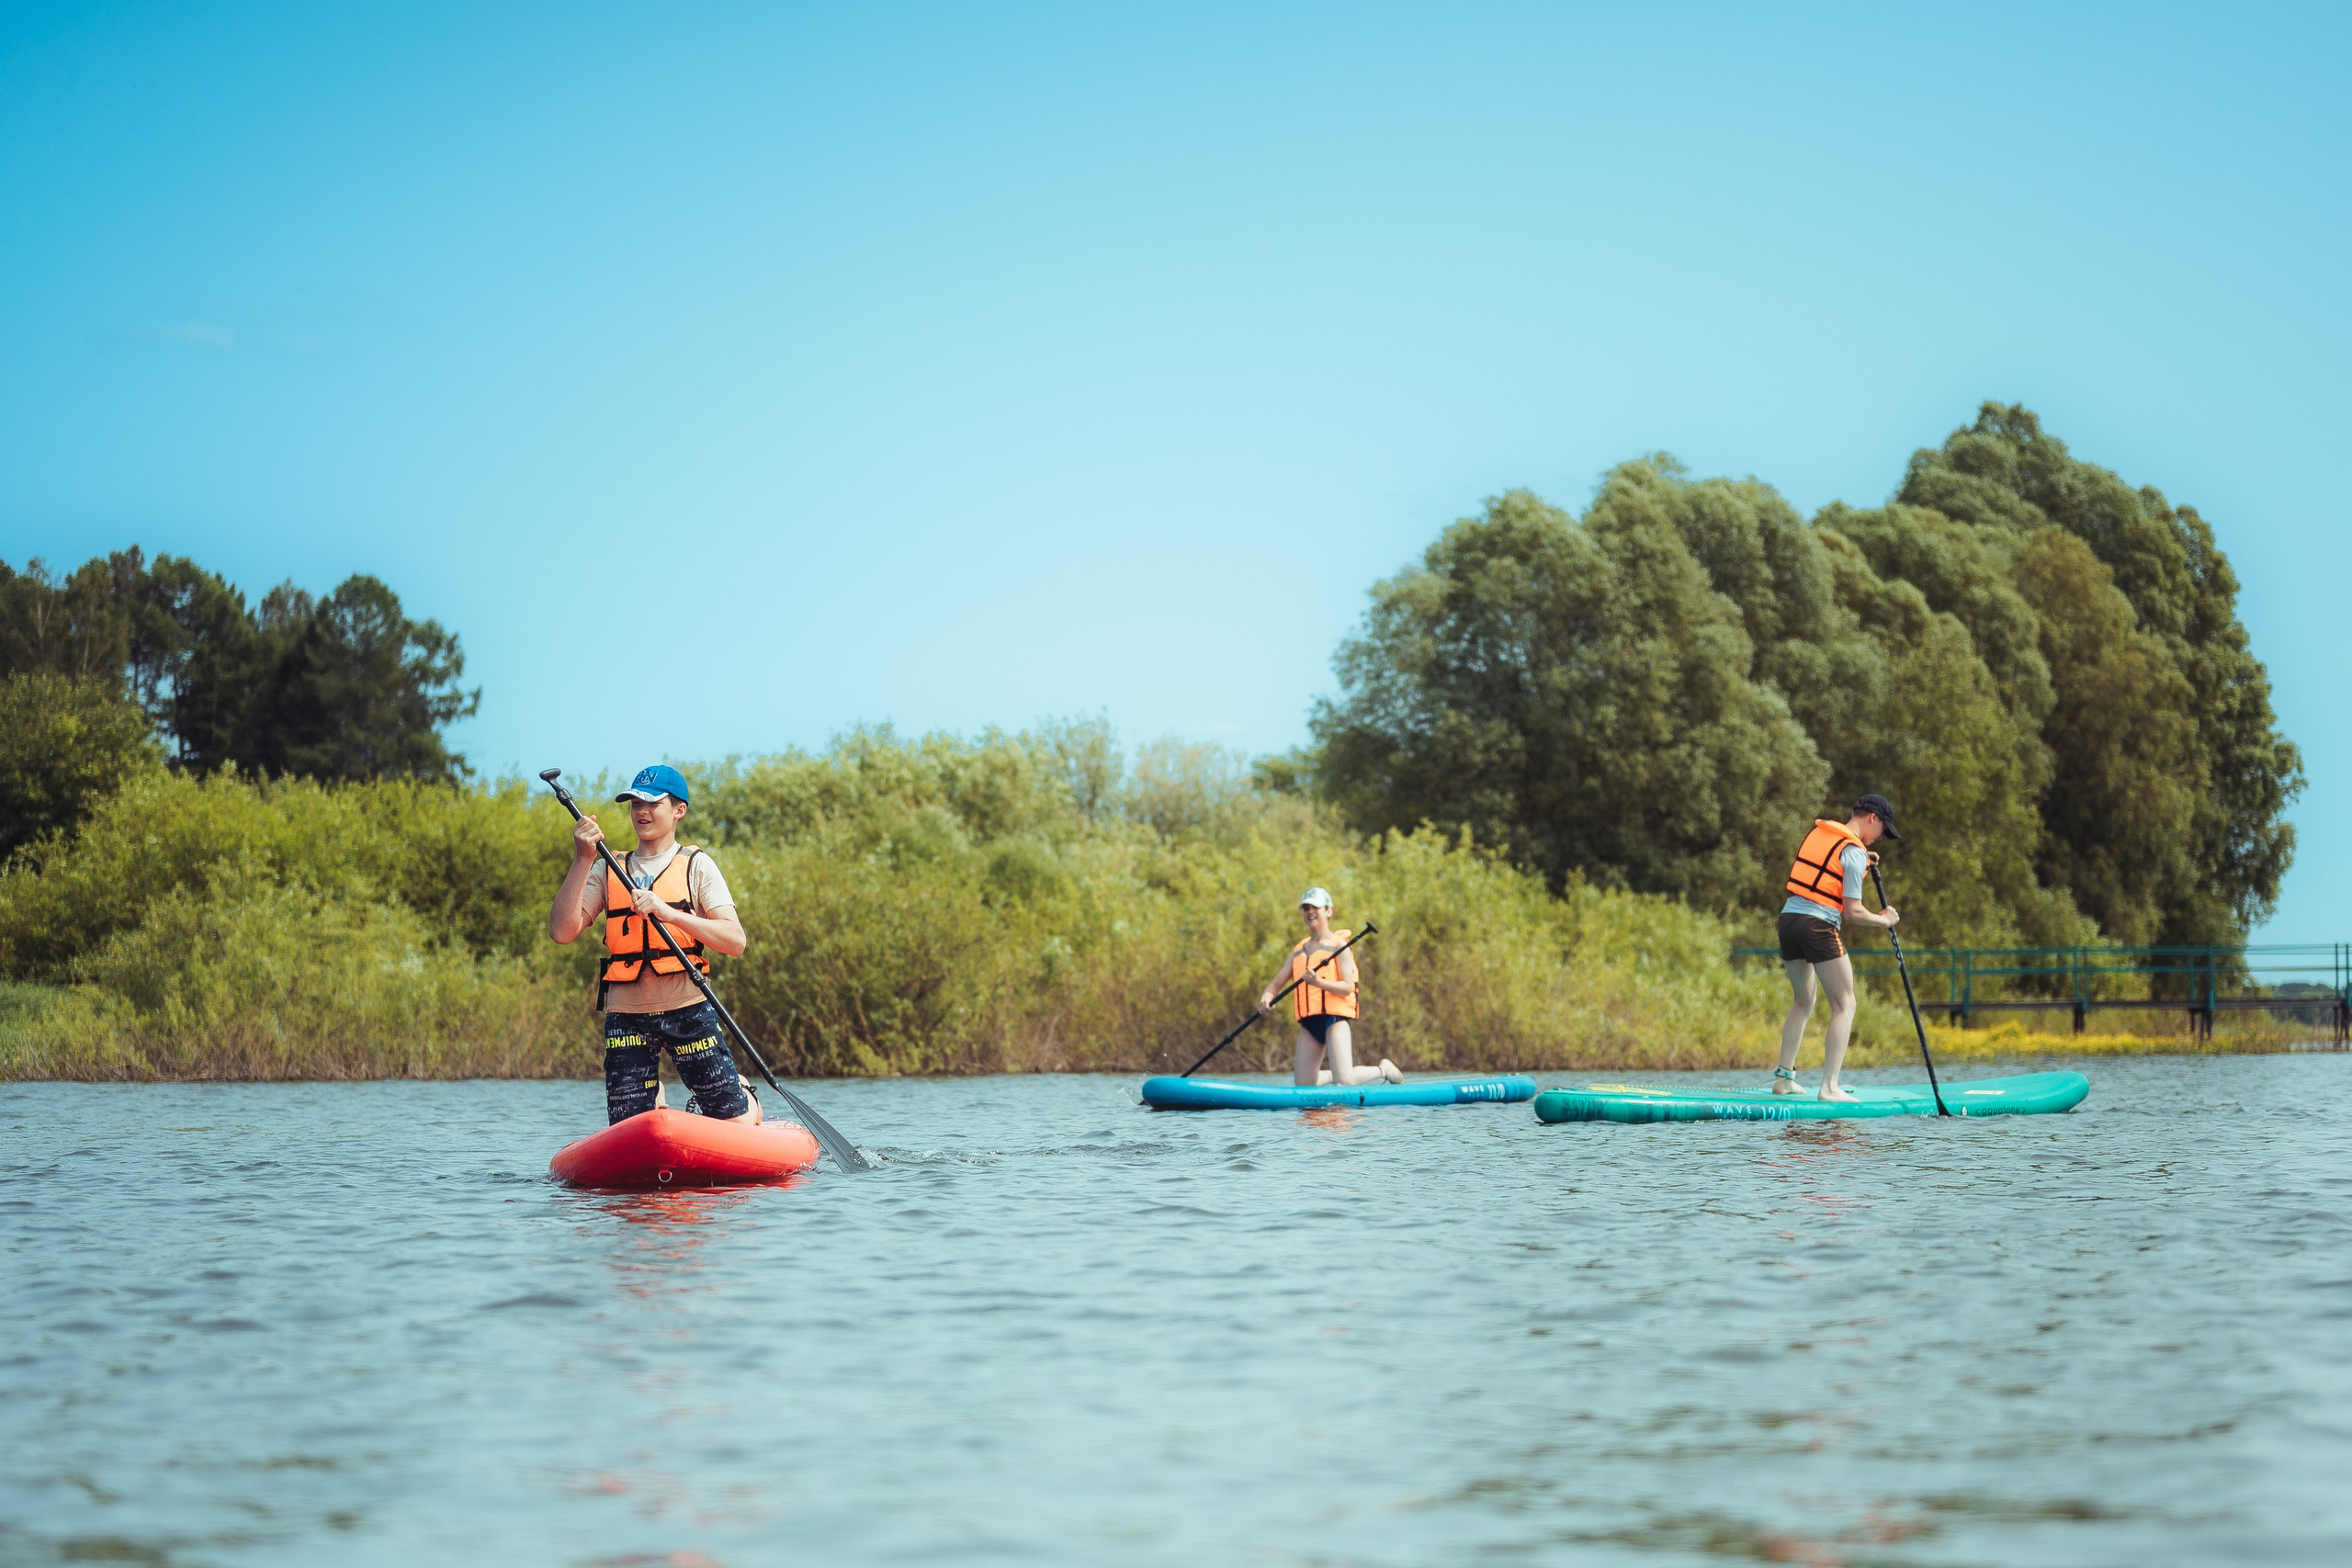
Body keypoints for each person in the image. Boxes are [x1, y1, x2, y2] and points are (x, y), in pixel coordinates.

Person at [548, 764, 758, 1125]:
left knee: (734, 1123)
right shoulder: (608, 867)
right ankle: (655, 1098)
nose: (641, 811)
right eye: (634, 804)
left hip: (688, 1008)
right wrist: (583, 858)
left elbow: (735, 941)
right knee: (633, 1124)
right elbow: (562, 932)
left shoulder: (697, 866)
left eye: (652, 803)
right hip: (627, 1015)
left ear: (679, 810)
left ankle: (743, 1094)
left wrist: (670, 914)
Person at [1771, 793, 1903, 1102]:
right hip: (1818, 926)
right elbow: (1852, 912)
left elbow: (1831, 868)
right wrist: (1885, 920)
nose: (1881, 838)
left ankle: (1783, 1079)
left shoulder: (1822, 835)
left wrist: (1863, 861)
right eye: (1883, 830)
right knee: (1845, 1004)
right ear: (1872, 818)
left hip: (1789, 920)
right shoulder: (1854, 852)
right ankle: (1829, 1087)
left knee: (1803, 1001)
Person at [1257, 887, 1401, 1088]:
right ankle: (1335, 1073)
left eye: (1315, 907)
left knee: (1346, 1081)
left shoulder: (1339, 946)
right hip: (1310, 1023)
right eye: (1306, 908)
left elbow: (1347, 987)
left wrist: (1319, 983)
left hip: (1334, 1019)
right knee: (1304, 1087)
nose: (1310, 912)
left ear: (1328, 911)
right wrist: (1266, 997)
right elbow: (1274, 985)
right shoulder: (1299, 951)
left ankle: (1384, 1070)